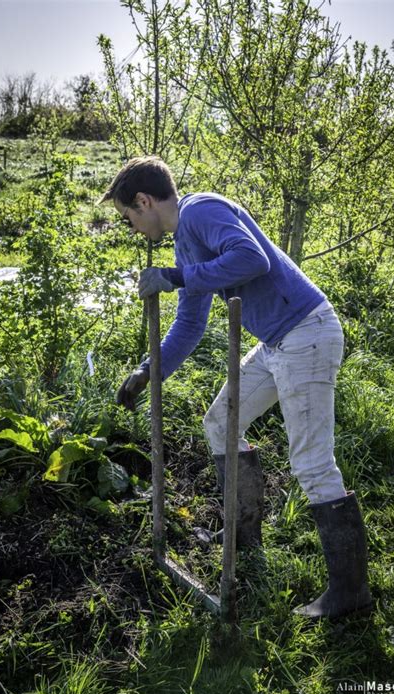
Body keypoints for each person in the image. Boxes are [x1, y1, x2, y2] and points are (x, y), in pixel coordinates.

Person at [99, 156, 372, 620]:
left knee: (311, 462)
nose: (133, 228)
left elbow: (251, 258)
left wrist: (175, 277)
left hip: (305, 333)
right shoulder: (186, 244)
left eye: (129, 218)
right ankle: (244, 540)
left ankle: (350, 594)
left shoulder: (201, 211)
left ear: (144, 201)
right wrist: (149, 370)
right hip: (277, 342)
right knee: (220, 423)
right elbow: (189, 324)